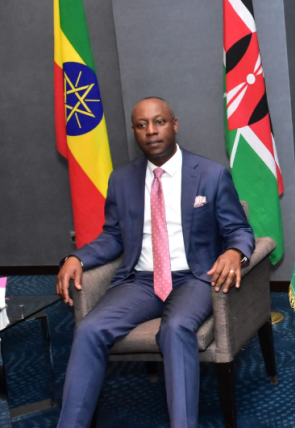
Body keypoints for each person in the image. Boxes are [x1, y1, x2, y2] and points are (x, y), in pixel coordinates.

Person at [56, 97, 254, 428]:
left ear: (174, 125)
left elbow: (239, 230)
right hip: (141, 280)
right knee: (89, 329)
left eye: (159, 122)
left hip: (194, 277)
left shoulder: (211, 174)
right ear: (135, 131)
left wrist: (235, 252)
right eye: (142, 125)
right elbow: (113, 237)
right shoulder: (121, 181)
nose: (151, 131)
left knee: (176, 329)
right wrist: (77, 256)